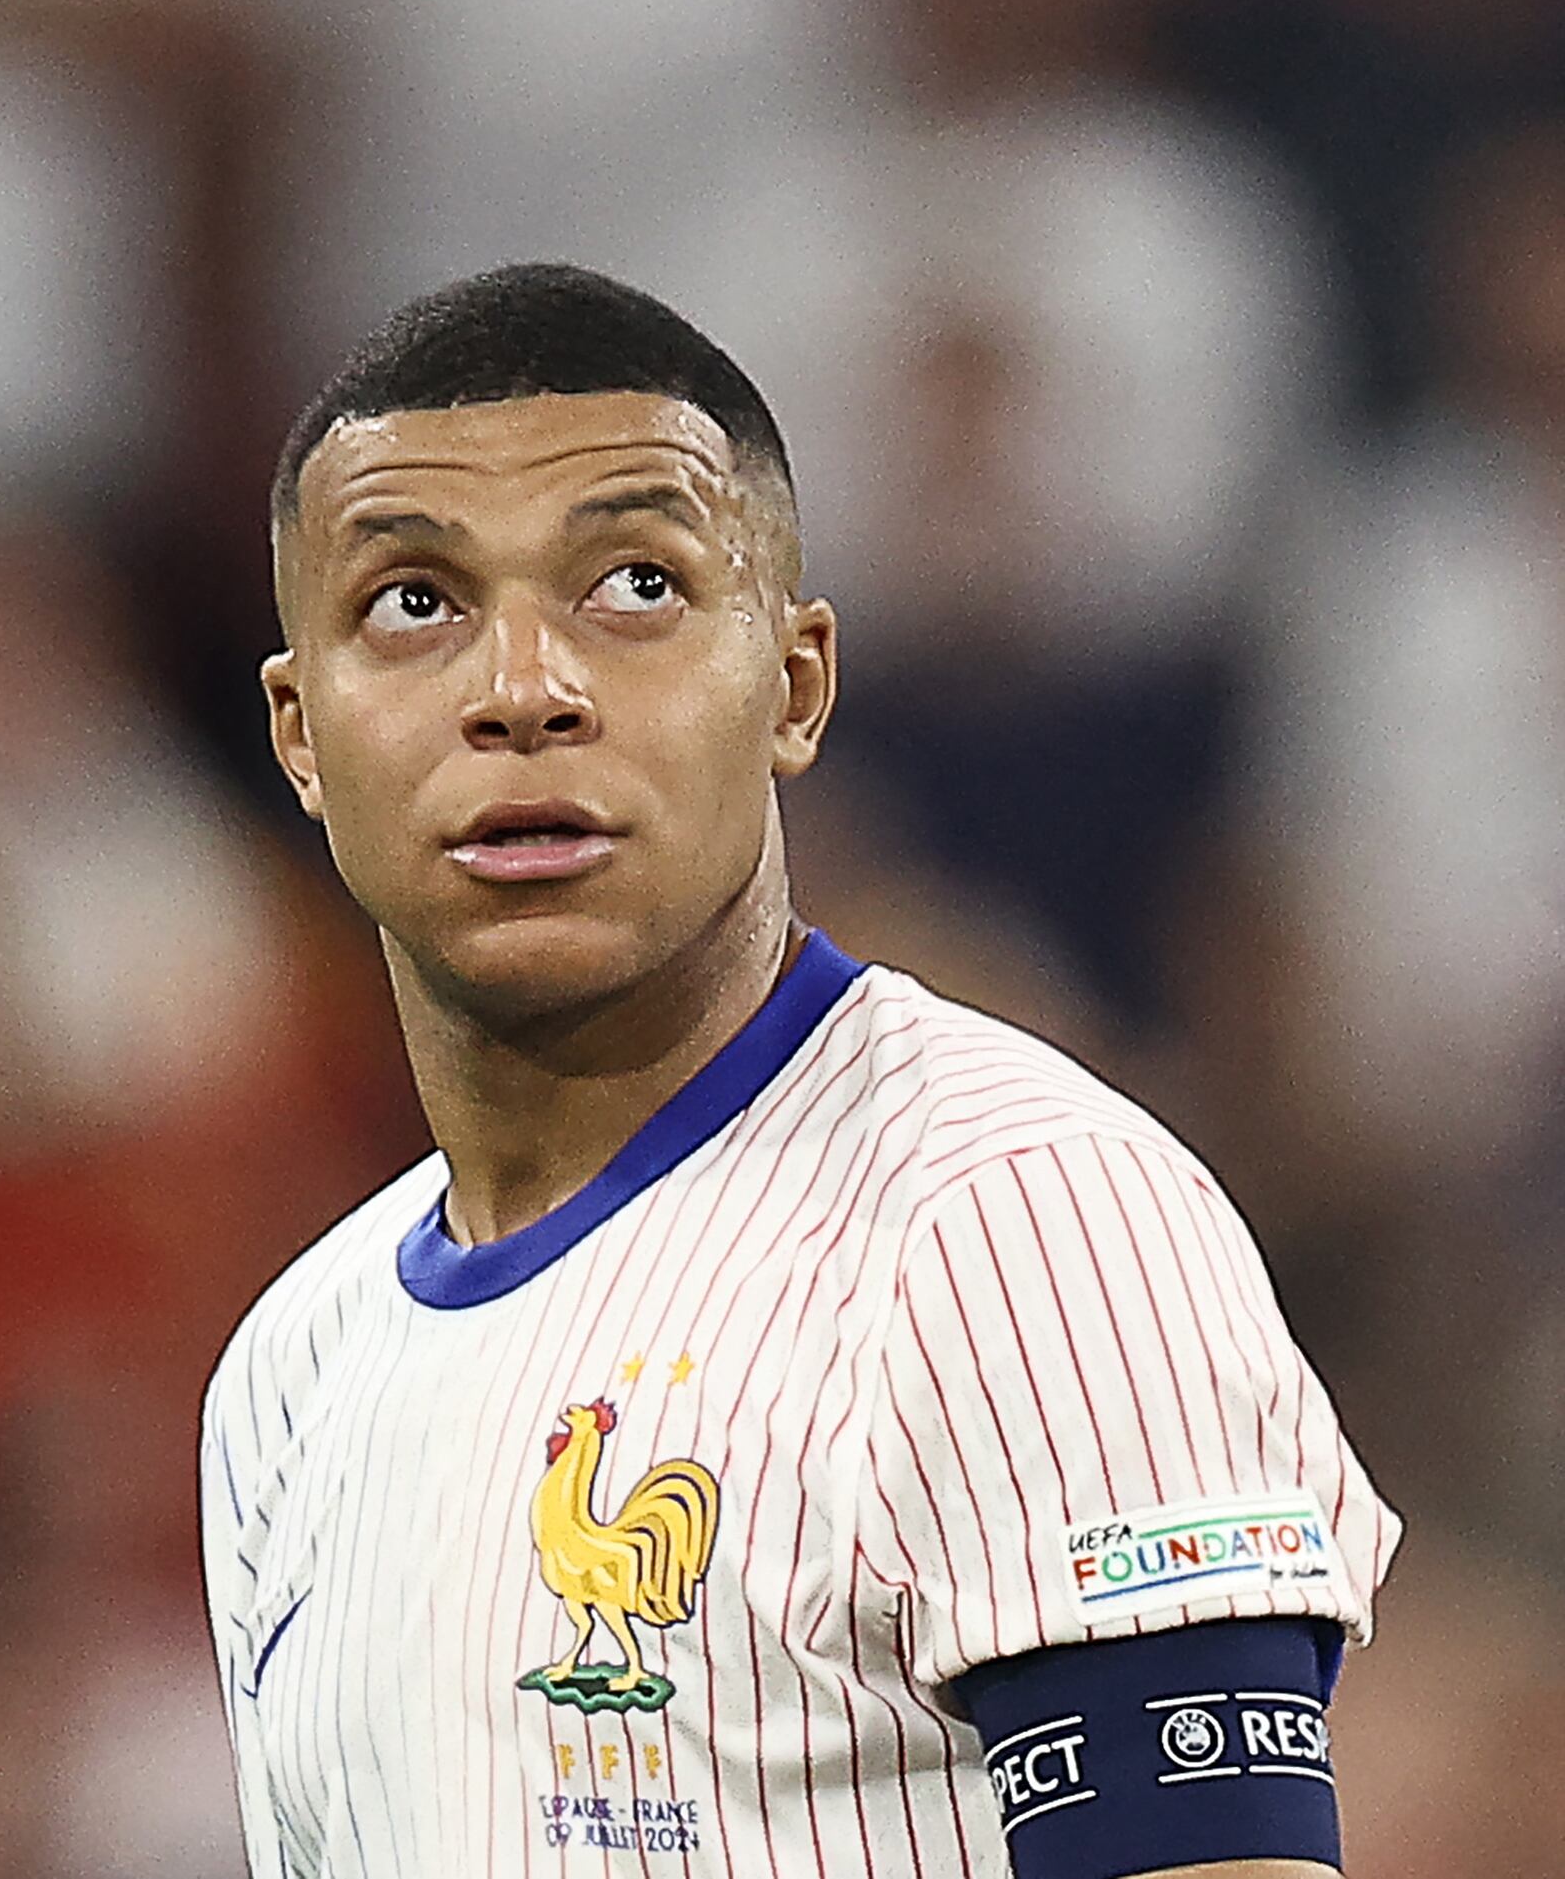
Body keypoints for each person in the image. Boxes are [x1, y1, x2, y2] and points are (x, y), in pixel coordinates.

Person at [198, 263, 1396, 1879]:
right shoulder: (290, 1376)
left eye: (633, 585)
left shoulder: (1016, 1221)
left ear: (796, 683)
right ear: (297, 734)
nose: (524, 691)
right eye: (414, 603)